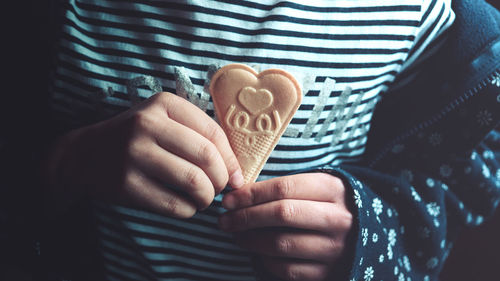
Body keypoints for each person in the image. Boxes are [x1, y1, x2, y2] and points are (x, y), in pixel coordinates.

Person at [1, 0, 499, 280]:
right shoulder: (42, 16)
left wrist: (371, 233)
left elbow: (462, 183)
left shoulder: (424, 19)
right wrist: (62, 164)